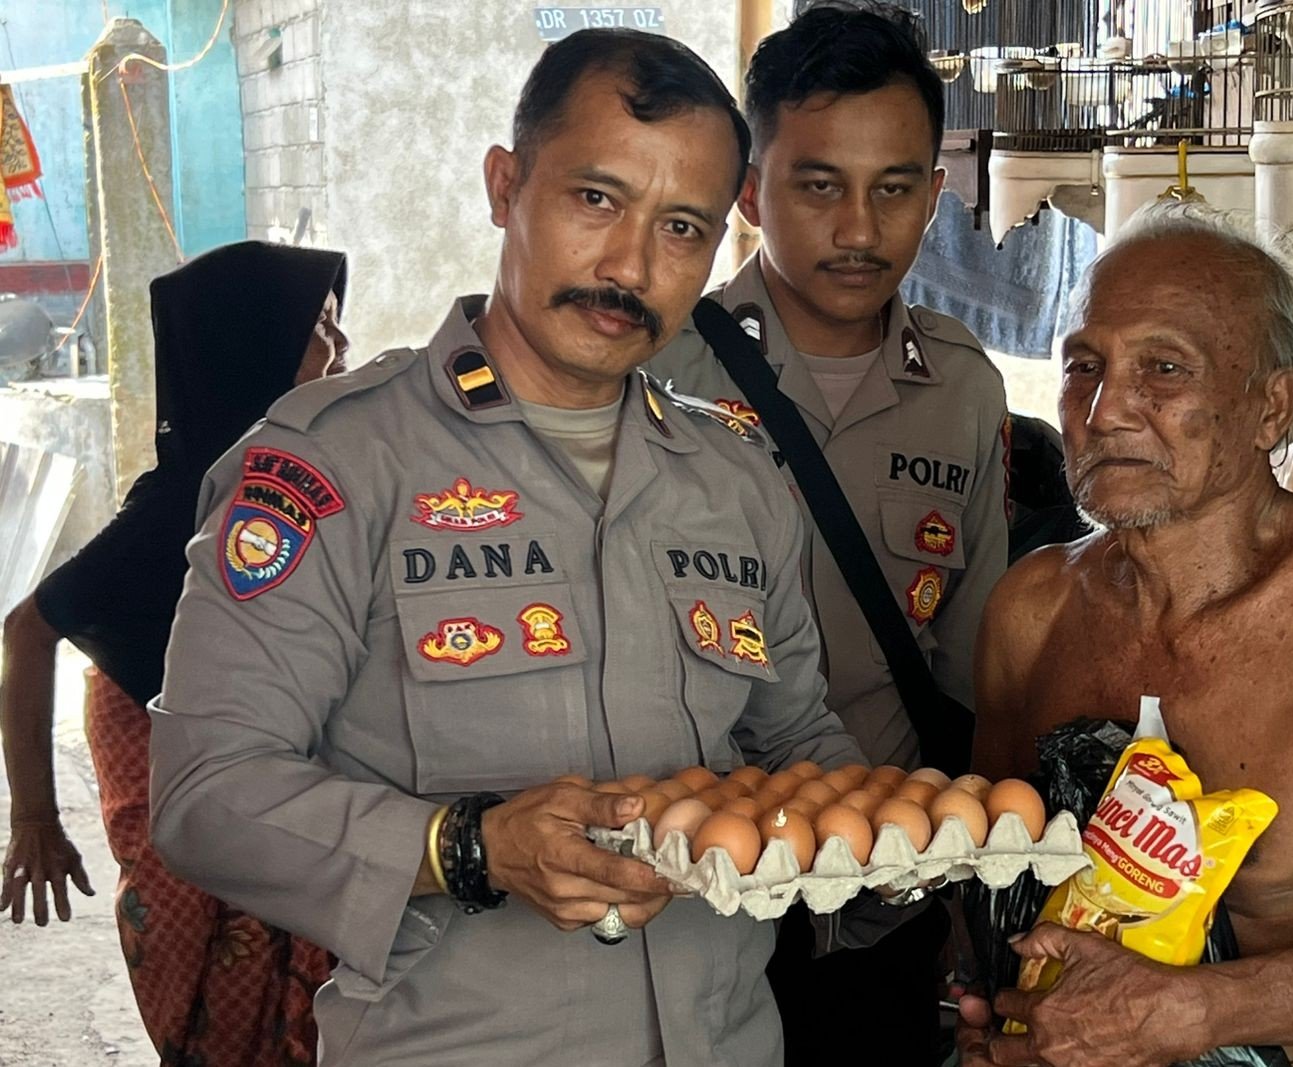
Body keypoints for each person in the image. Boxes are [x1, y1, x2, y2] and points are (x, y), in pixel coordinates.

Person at [147, 30, 870, 1067]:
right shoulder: (337, 464)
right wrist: (467, 846)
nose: (630, 266)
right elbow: (207, 793)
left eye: (681, 227)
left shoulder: (735, 478)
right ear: (505, 184)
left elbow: (794, 735)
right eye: (596, 199)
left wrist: (909, 839)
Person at [957, 203, 1293, 1067]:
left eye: (1164, 368)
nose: (1105, 408)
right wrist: (994, 1013)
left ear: (1271, 407)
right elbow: (991, 882)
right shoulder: (1031, 610)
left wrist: (1189, 1012)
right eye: (1084, 365)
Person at [647, 6, 1009, 1061]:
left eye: (893, 188)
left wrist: (965, 890)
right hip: (682, 902)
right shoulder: (656, 373)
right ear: (749, 191)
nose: (859, 228)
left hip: (879, 910)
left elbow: (974, 667)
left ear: (934, 194)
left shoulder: (962, 389)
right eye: (818, 186)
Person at [1, 240, 349, 1066]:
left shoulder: (310, 480)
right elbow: (27, 629)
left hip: (276, 771)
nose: (342, 345)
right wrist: (35, 816)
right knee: (215, 1016)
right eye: (319, 328)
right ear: (252, 347)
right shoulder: (181, 504)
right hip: (169, 765)